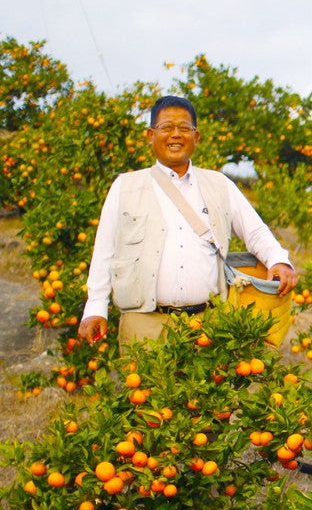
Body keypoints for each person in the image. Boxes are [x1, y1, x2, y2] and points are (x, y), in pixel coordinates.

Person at [79, 95, 297, 348]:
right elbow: (105, 251)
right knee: (142, 376)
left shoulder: (219, 184)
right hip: (144, 324)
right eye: (166, 127)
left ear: (196, 137)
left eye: (184, 128)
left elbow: (256, 232)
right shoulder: (125, 186)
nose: (175, 134)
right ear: (150, 135)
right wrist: (95, 308)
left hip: (208, 325)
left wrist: (278, 260)